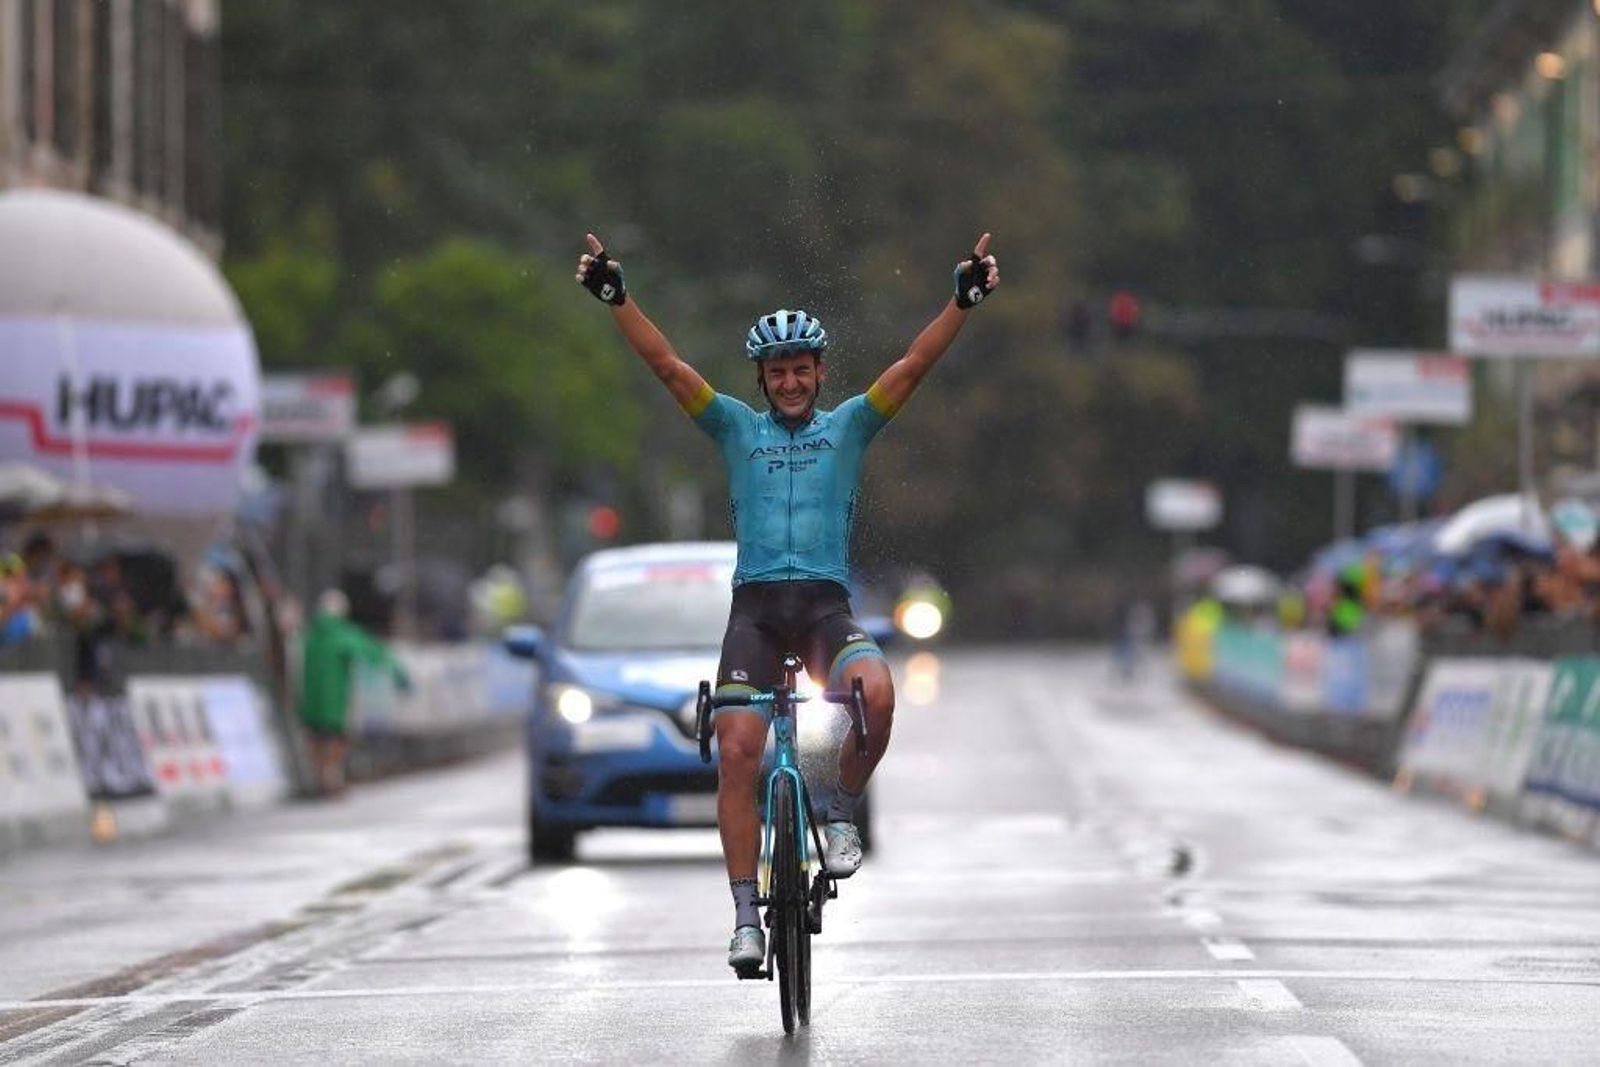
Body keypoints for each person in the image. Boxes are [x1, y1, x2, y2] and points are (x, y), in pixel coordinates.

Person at [575, 229, 999, 975]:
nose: (792, 381)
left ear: (820, 371)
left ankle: (836, 809)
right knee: (737, 754)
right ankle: (745, 915)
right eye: (779, 371)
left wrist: (961, 300)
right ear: (763, 377)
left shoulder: (850, 428)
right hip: (757, 615)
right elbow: (668, 367)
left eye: (803, 369)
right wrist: (619, 298)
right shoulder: (735, 426)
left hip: (826, 607)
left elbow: (916, 364)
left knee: (878, 693)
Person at [298, 589, 411, 797]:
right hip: (333, 701)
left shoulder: (310, 635)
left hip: (310, 700)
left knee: (316, 740)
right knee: (336, 740)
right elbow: (374, 652)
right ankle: (331, 780)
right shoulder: (343, 635)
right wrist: (398, 673)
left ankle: (320, 779)